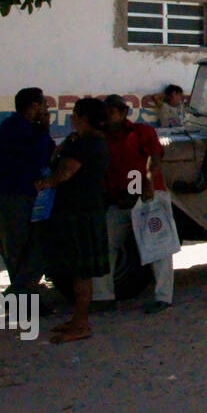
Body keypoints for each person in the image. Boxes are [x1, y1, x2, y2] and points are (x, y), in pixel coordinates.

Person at [36, 97, 109, 343]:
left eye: (76, 114)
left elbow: (64, 172)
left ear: (84, 117)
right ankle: (77, 319)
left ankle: (81, 323)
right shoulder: (83, 141)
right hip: (80, 211)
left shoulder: (87, 144)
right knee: (77, 271)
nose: (72, 118)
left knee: (81, 273)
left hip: (81, 212)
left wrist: (46, 183)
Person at [95, 95, 172, 314]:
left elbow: (155, 158)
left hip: (147, 196)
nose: (108, 117)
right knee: (107, 244)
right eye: (106, 112)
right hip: (121, 197)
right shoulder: (103, 137)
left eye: (112, 112)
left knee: (158, 246)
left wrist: (147, 182)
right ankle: (103, 296)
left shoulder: (141, 132)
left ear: (123, 112)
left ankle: (163, 297)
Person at [0, 87, 56, 302]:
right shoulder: (18, 129)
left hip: (13, 196)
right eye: (43, 104)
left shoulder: (16, 127)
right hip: (11, 197)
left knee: (21, 253)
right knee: (26, 250)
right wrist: (44, 129)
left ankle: (24, 298)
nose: (46, 109)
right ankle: (18, 294)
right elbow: (41, 156)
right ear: (34, 106)